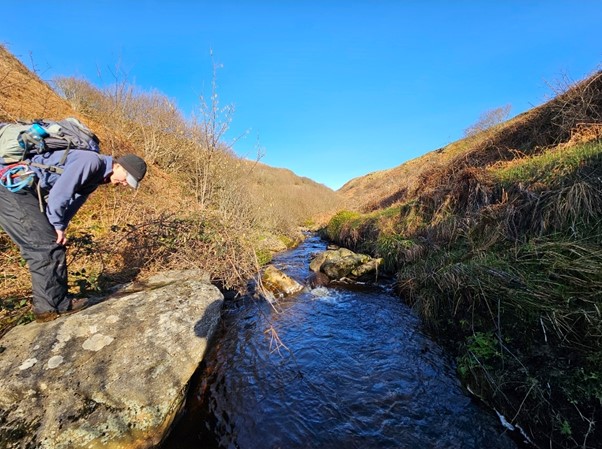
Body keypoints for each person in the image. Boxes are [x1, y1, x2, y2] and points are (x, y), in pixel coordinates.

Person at [0, 149, 147, 323]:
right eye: (126, 179)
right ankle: (49, 309)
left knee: (51, 243)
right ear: (120, 166)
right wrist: (55, 224)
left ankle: (56, 304)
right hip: (11, 187)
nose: (124, 184)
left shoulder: (96, 177)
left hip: (23, 190)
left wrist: (60, 227)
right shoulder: (91, 162)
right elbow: (60, 194)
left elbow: (73, 203)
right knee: (44, 246)